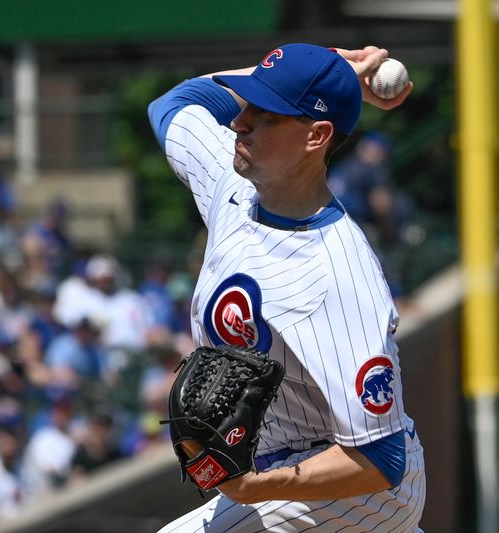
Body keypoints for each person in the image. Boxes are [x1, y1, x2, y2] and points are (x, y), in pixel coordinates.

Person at [148, 43, 425, 532]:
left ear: (316, 136)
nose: (240, 122)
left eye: (265, 114)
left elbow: (382, 458)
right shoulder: (231, 183)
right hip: (292, 456)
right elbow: (178, 103)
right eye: (246, 104)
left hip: (359, 489)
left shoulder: (337, 275)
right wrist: (330, 67)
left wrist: (255, 487)